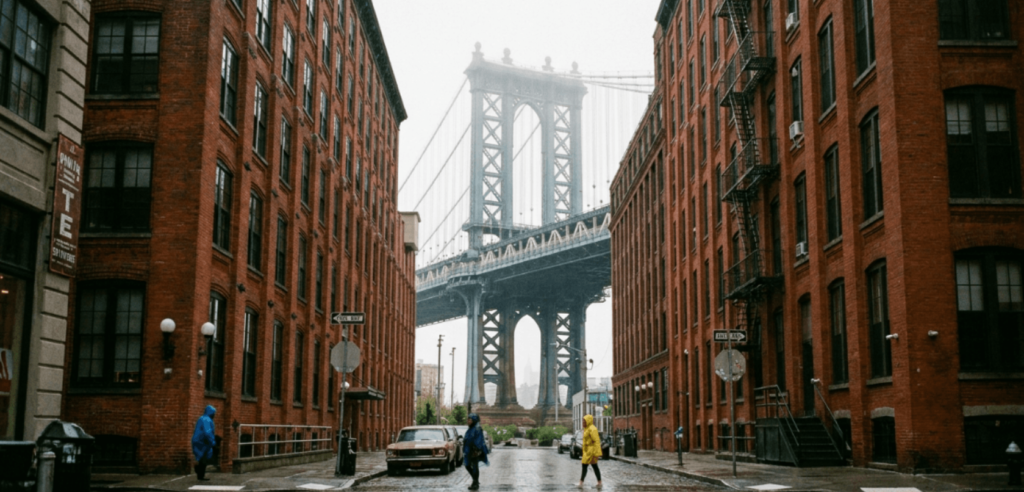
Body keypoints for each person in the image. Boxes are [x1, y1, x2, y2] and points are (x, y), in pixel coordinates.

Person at [462, 413, 489, 490]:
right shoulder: (471, 428)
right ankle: (475, 481)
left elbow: (478, 440)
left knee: (474, 466)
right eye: (468, 420)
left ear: (474, 420)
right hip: (468, 451)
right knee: (467, 465)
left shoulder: (477, 428)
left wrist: (476, 449)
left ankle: (475, 483)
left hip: (473, 451)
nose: (468, 421)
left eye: (469, 420)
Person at [191, 405, 217, 480]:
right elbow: (207, 432)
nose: (214, 415)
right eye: (213, 413)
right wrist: (213, 442)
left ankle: (200, 474)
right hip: (202, 442)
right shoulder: (207, 419)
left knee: (202, 458)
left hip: (199, 441)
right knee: (204, 459)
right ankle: (200, 474)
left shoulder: (202, 418)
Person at [577, 414, 603, 489]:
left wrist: (596, 453)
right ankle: (599, 482)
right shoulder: (587, 428)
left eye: (584, 421)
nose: (582, 422)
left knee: (588, 466)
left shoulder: (592, 429)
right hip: (587, 451)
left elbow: (596, 441)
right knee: (591, 466)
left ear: (588, 421)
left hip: (591, 451)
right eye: (582, 421)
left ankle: (581, 482)